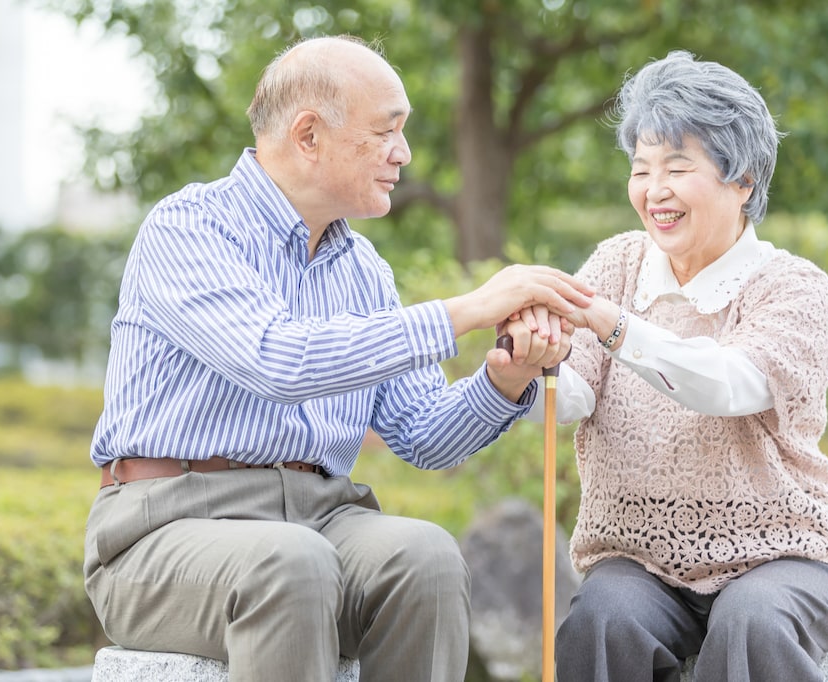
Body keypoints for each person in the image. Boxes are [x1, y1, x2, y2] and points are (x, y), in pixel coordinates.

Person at [81, 35, 591, 682]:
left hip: (320, 519)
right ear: (309, 135)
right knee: (290, 563)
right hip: (163, 529)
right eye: (387, 131)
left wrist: (507, 375)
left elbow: (427, 435)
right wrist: (470, 309)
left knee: (426, 556)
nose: (402, 155)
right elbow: (276, 360)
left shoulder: (365, 271)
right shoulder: (189, 228)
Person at [521, 50, 828, 681]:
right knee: (600, 621)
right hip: (639, 560)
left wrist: (616, 326)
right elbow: (571, 395)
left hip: (781, 555)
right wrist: (531, 360)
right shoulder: (616, 265)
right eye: (641, 169)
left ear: (744, 181)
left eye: (678, 167)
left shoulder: (795, 288)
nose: (654, 191)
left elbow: (731, 383)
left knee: (752, 623)